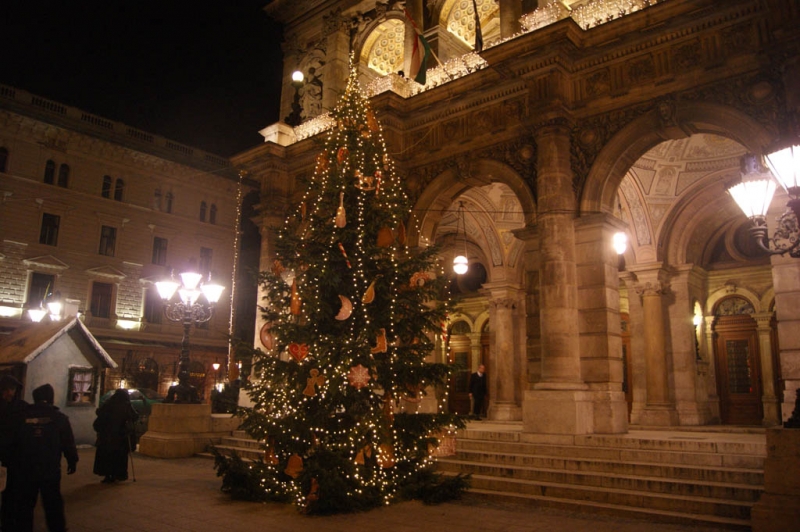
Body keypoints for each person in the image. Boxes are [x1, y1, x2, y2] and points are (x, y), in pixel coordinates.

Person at [7, 383, 78, 532]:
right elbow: (68, 442)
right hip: (49, 469)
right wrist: (72, 460)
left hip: (25, 468)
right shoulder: (59, 418)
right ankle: (57, 528)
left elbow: (11, 441)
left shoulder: (21, 417)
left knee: (25, 504)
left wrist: (10, 461)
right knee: (52, 503)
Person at [93, 389, 138, 483]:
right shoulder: (126, 405)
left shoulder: (108, 404)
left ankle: (108, 475)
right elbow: (135, 416)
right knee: (119, 457)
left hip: (107, 436)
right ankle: (118, 474)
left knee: (107, 456)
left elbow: (99, 414)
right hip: (121, 436)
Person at [1, 375, 28, 531]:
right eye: (7, 389)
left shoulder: (21, 407)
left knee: (11, 493)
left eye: (12, 389)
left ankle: (8, 522)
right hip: (4, 454)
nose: (9, 393)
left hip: (14, 457)